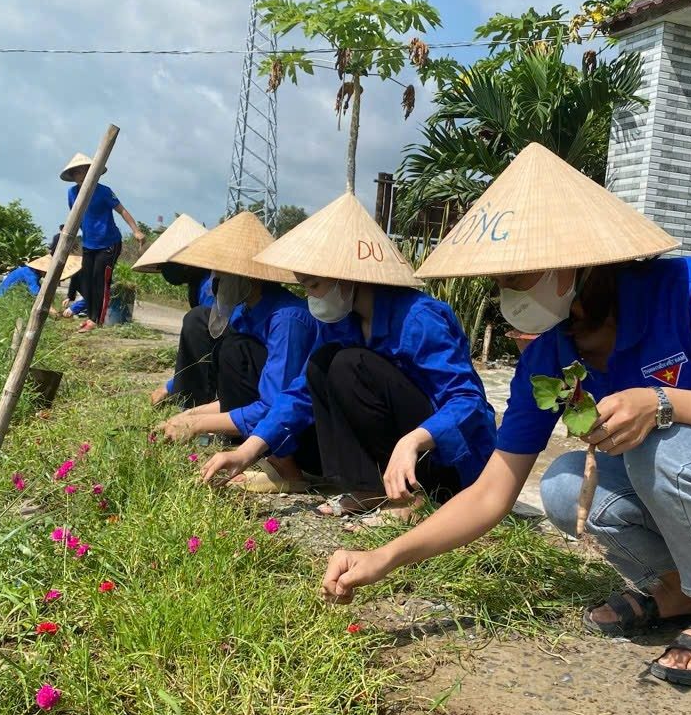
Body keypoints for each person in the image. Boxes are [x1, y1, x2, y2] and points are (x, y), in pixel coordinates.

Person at [318, 144, 691, 687]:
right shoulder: (549, 354)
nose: (506, 294)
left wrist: (663, 403)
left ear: (574, 265)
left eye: (518, 277)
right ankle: (679, 590)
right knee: (561, 485)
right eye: (500, 282)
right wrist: (385, 558)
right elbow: (491, 493)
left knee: (658, 441)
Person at [201, 194, 497, 523]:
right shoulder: (342, 323)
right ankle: (369, 486)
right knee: (322, 365)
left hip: (445, 462)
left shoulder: (419, 319)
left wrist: (414, 440)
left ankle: (412, 499)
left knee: (350, 364)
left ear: (347, 276)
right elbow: (300, 393)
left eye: (314, 286)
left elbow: (467, 401)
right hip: (400, 461)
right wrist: (246, 451)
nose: (310, 298)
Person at [157, 211, 321, 491]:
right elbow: (237, 396)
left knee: (234, 349)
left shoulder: (287, 320)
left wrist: (197, 426)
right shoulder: (245, 312)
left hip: (300, 431)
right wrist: (189, 416)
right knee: (228, 346)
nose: (215, 283)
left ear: (250, 278)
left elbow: (276, 403)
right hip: (269, 420)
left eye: (223, 275)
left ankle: (287, 468)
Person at [128, 214, 218, 407]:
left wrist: (173, 386)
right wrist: (172, 385)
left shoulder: (210, 286)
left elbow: (208, 345)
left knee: (195, 321)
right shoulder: (199, 282)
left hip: (230, 356)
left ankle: (197, 402)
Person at [59, 152, 146, 332]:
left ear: (91, 171)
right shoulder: (72, 193)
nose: (79, 175)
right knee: (86, 281)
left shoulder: (104, 191)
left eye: (82, 171)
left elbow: (122, 210)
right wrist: (69, 238)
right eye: (75, 173)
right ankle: (90, 316)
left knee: (100, 280)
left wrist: (136, 230)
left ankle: (95, 320)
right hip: (89, 244)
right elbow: (74, 217)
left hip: (109, 243)